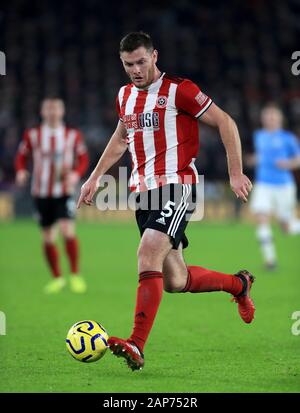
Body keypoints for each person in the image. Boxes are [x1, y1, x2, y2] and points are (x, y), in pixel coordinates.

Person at [77, 32, 255, 371]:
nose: (136, 70)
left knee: (148, 252)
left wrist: (235, 172)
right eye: (129, 64)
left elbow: (225, 121)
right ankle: (239, 284)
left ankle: (136, 344)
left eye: (141, 62)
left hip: (177, 185)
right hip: (142, 194)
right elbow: (120, 138)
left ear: (155, 56)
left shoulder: (179, 89)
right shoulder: (124, 96)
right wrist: (95, 176)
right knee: (176, 280)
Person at [15, 97, 89, 294]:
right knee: (48, 237)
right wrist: (21, 170)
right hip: (41, 192)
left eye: (56, 108)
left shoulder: (72, 135)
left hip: (64, 192)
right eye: (49, 108)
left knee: (67, 231)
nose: (52, 112)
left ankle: (74, 274)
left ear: (62, 111)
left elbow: (83, 158)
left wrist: (75, 174)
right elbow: (21, 156)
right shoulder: (33, 135)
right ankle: (57, 278)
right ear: (42, 112)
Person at [249, 103, 300, 270]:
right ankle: (270, 261)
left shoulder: (288, 138)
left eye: (273, 116)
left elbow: (298, 160)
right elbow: (262, 156)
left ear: (279, 119)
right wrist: (253, 160)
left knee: (286, 227)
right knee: (261, 217)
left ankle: (291, 226)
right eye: (267, 116)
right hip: (263, 184)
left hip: (284, 186)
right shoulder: (259, 136)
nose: (269, 119)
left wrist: (288, 163)